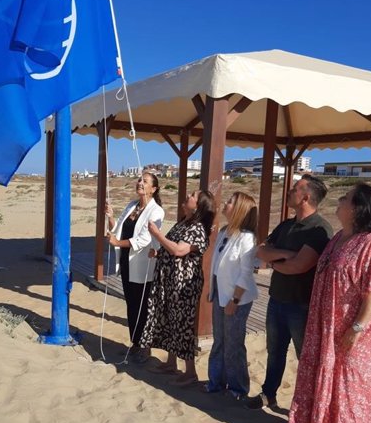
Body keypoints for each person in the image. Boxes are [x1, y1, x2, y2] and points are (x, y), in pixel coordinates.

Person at [288, 184, 371, 423]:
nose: (339, 200)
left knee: (351, 386)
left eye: (346, 198)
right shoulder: (339, 237)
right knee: (331, 380)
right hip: (328, 326)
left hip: (357, 331)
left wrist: (357, 328)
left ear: (360, 209)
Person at [245, 175, 332, 410]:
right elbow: (261, 251)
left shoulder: (319, 229)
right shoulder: (286, 225)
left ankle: (308, 405)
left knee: (305, 357)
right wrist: (285, 255)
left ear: (306, 197)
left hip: (301, 305)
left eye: (295, 188)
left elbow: (299, 266)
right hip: (277, 299)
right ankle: (269, 393)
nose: (289, 192)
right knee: (275, 352)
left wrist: (278, 260)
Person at [138, 190, 216, 386]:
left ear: (198, 205)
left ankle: (190, 372)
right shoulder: (183, 222)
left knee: (183, 324)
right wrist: (159, 252)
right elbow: (171, 247)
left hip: (184, 285)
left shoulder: (198, 228)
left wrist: (157, 234)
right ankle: (171, 363)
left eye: (192, 195)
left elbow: (180, 250)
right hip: (169, 279)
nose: (187, 195)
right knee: (169, 319)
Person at [205, 192, 259, 399]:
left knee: (234, 343)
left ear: (238, 210)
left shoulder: (247, 238)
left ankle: (238, 388)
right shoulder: (225, 231)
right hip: (220, 292)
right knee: (219, 339)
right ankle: (216, 381)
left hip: (237, 297)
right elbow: (217, 265)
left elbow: (246, 274)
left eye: (229, 202)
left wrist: (234, 301)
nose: (225, 204)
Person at [106, 173, 164, 362]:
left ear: (153, 189)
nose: (140, 182)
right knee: (131, 305)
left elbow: (144, 240)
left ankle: (145, 347)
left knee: (142, 307)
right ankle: (135, 343)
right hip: (126, 263)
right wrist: (111, 218)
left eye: (145, 181)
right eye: (139, 180)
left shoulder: (156, 211)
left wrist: (117, 241)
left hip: (142, 266)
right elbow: (119, 229)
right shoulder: (132, 205)